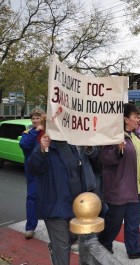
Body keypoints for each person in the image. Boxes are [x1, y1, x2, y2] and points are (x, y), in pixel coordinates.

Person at [99, 103, 140, 260]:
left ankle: (134, 249)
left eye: (138, 117)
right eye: (135, 117)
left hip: (137, 187)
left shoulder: (134, 135)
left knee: (133, 221)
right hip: (120, 188)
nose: (138, 120)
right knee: (114, 221)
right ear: (125, 119)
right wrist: (117, 150)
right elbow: (105, 158)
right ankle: (104, 243)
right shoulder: (114, 136)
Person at [27, 135, 84, 265]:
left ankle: (55, 248)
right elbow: (33, 167)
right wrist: (41, 149)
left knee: (71, 239)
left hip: (74, 204)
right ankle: (57, 251)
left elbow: (77, 173)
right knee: (63, 246)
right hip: (55, 205)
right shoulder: (45, 147)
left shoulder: (70, 146)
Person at [19, 108, 45, 239]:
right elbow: (24, 145)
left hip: (47, 171)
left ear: (43, 118)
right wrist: (36, 131)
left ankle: (53, 226)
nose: (35, 121)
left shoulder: (48, 133)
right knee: (32, 199)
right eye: (33, 118)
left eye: (38, 118)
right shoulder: (28, 132)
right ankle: (30, 227)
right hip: (33, 172)